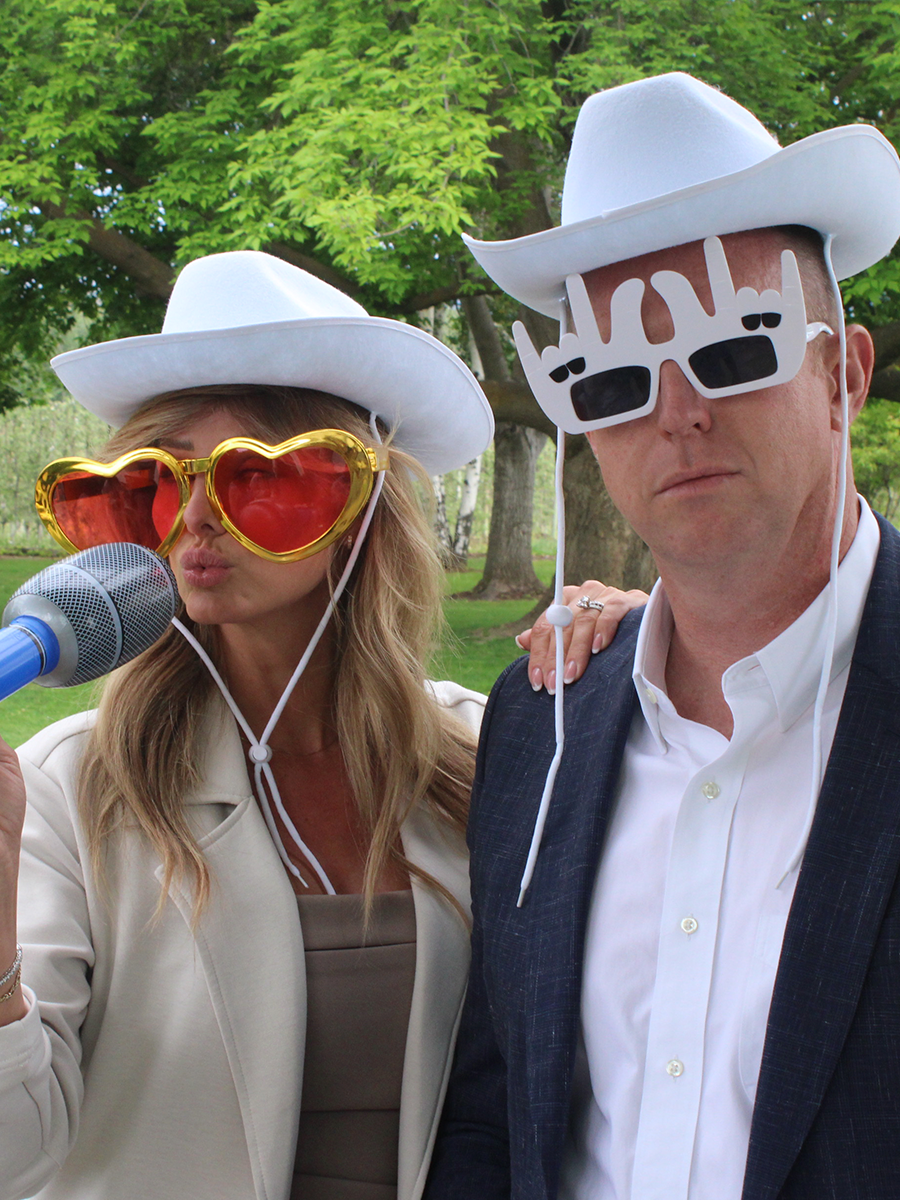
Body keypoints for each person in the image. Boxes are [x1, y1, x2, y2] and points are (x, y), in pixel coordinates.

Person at [0, 249, 632, 1200]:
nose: (197, 522)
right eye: (152, 488)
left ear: (364, 508)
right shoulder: (64, 787)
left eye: (259, 479)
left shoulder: (491, 752)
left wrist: (636, 658)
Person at [425, 72, 900, 1199]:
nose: (676, 410)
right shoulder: (537, 729)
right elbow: (498, 1117)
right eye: (615, 378)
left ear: (844, 376)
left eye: (736, 352)